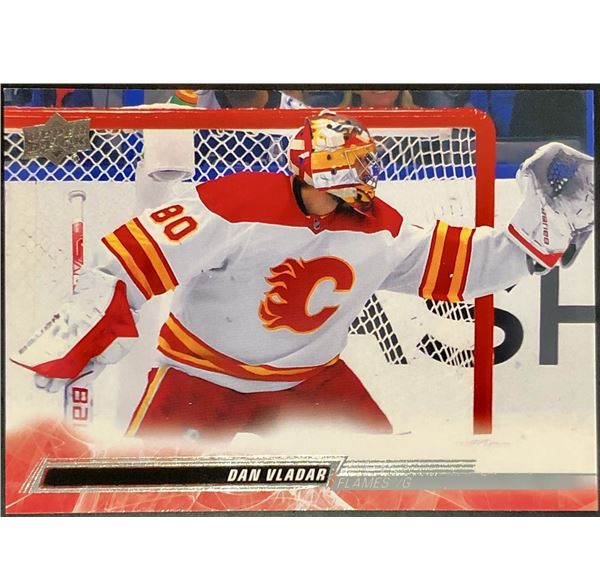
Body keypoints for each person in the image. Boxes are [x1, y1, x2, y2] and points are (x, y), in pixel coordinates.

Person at [12, 111, 594, 440]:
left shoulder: (379, 226)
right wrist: (82, 336)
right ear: (319, 171)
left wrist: (539, 237)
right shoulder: (235, 204)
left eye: (367, 161)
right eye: (354, 163)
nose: (367, 172)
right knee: (150, 497)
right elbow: (129, 262)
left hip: (311, 383)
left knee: (383, 485)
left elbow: (462, 264)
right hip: (200, 377)